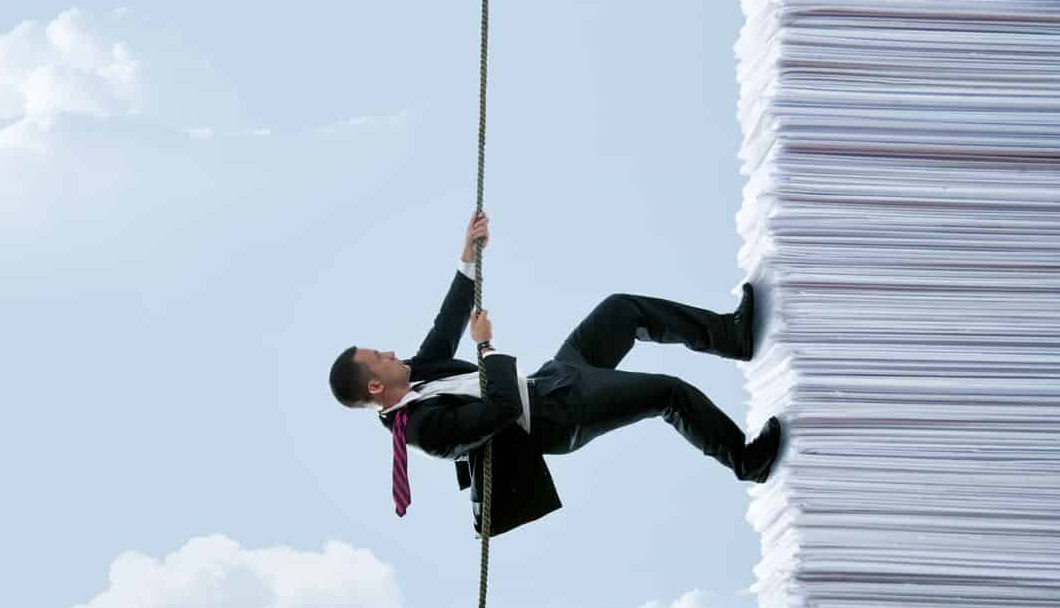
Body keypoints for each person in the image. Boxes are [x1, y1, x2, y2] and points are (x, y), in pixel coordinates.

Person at [328, 210, 785, 536]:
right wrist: (486, 346)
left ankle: (732, 337)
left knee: (620, 309)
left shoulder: (418, 375)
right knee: (668, 393)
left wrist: (468, 256)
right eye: (379, 355)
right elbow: (503, 409)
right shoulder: (425, 430)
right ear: (375, 385)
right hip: (559, 416)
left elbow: (446, 325)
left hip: (554, 378)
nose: (390, 351)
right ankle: (746, 461)